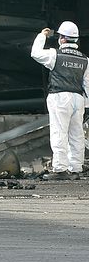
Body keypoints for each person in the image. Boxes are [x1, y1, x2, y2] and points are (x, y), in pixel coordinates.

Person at [30, 22, 88, 178]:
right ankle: (76, 168)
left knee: (59, 132)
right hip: (78, 98)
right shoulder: (85, 59)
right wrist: (87, 106)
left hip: (60, 97)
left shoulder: (55, 54)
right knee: (77, 134)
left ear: (62, 39)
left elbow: (35, 53)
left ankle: (60, 169)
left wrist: (42, 35)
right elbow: (87, 85)